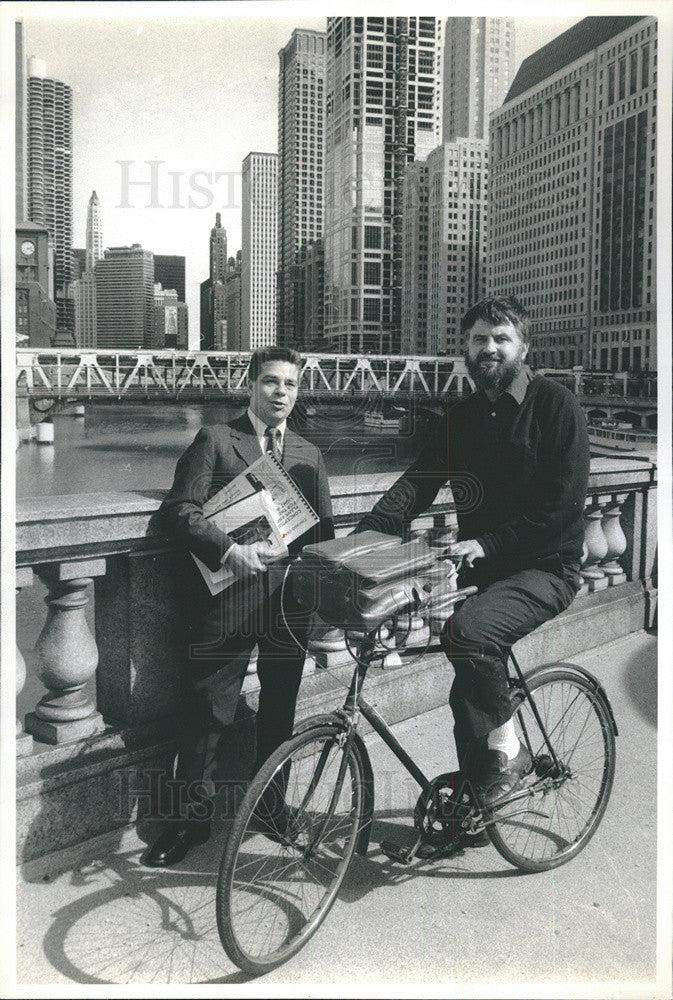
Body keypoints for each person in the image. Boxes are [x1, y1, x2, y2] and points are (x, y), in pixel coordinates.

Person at [356, 295, 589, 812]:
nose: (489, 348)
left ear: (523, 348)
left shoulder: (555, 406)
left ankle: (511, 754)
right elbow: (413, 489)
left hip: (546, 568)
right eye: (480, 338)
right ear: (466, 347)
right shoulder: (459, 418)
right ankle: (478, 798)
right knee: (466, 689)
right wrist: (358, 542)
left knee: (466, 633)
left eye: (502, 339)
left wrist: (486, 542)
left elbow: (562, 509)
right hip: (490, 572)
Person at [145, 346, 334, 866]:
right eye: (270, 382)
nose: (280, 393)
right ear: (250, 385)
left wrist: (321, 608)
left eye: (290, 385)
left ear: (298, 391)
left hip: (286, 609)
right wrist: (228, 549)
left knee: (278, 715)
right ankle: (190, 823)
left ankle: (272, 809)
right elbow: (177, 510)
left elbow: (322, 537)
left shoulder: (307, 454)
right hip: (225, 602)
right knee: (207, 714)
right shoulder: (216, 439)